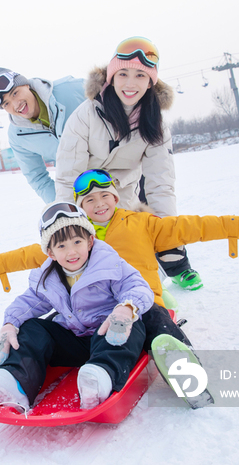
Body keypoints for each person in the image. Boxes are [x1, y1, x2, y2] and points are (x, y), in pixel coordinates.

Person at [0, 168, 239, 355]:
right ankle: (15, 365)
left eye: (105, 197)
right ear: (81, 207)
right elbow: (33, 253)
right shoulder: (76, 237)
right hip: (93, 311)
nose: (99, 205)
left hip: (141, 304)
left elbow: (190, 226)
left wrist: (238, 225)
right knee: (45, 326)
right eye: (89, 201)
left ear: (116, 197)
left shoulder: (142, 223)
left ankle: (181, 358)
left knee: (156, 321)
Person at [0, 202, 154, 411]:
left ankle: (101, 376)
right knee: (32, 327)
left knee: (132, 323)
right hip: (74, 341)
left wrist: (126, 308)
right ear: (50, 253)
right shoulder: (48, 278)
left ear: (90, 241)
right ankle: (15, 381)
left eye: (77, 242)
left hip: (110, 336)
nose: (72, 251)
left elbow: (137, 286)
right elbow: (28, 302)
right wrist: (10, 323)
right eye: (62, 246)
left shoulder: (110, 264)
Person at [52, 37, 201, 291]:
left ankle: (175, 267)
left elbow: (160, 184)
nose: (130, 84)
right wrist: (66, 225)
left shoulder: (156, 125)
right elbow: (67, 176)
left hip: (123, 195)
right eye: (123, 73)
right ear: (111, 77)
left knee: (135, 240)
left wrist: (167, 232)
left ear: (151, 83)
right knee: (89, 249)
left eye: (141, 76)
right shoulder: (85, 116)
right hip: (87, 194)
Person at [0, 68, 85, 203]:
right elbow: (37, 177)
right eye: (6, 104)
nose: (16, 105)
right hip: (83, 191)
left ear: (26, 85)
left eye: (15, 93)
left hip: (117, 175)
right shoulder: (18, 136)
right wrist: (63, 205)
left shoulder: (70, 89)